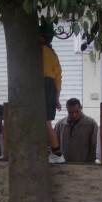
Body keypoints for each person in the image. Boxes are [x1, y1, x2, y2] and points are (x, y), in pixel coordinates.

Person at [41, 22, 63, 157]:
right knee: (46, 122)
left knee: (45, 122)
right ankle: (53, 151)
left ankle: (56, 153)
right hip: (51, 88)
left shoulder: (36, 50)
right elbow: (58, 78)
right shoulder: (52, 53)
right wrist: (57, 97)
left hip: (42, 86)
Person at [54, 99, 98, 164]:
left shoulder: (91, 124)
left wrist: (90, 163)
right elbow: (55, 145)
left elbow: (94, 146)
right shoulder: (60, 124)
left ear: (81, 108)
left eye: (77, 112)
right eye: (70, 112)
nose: (74, 115)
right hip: (64, 164)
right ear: (67, 109)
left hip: (84, 165)